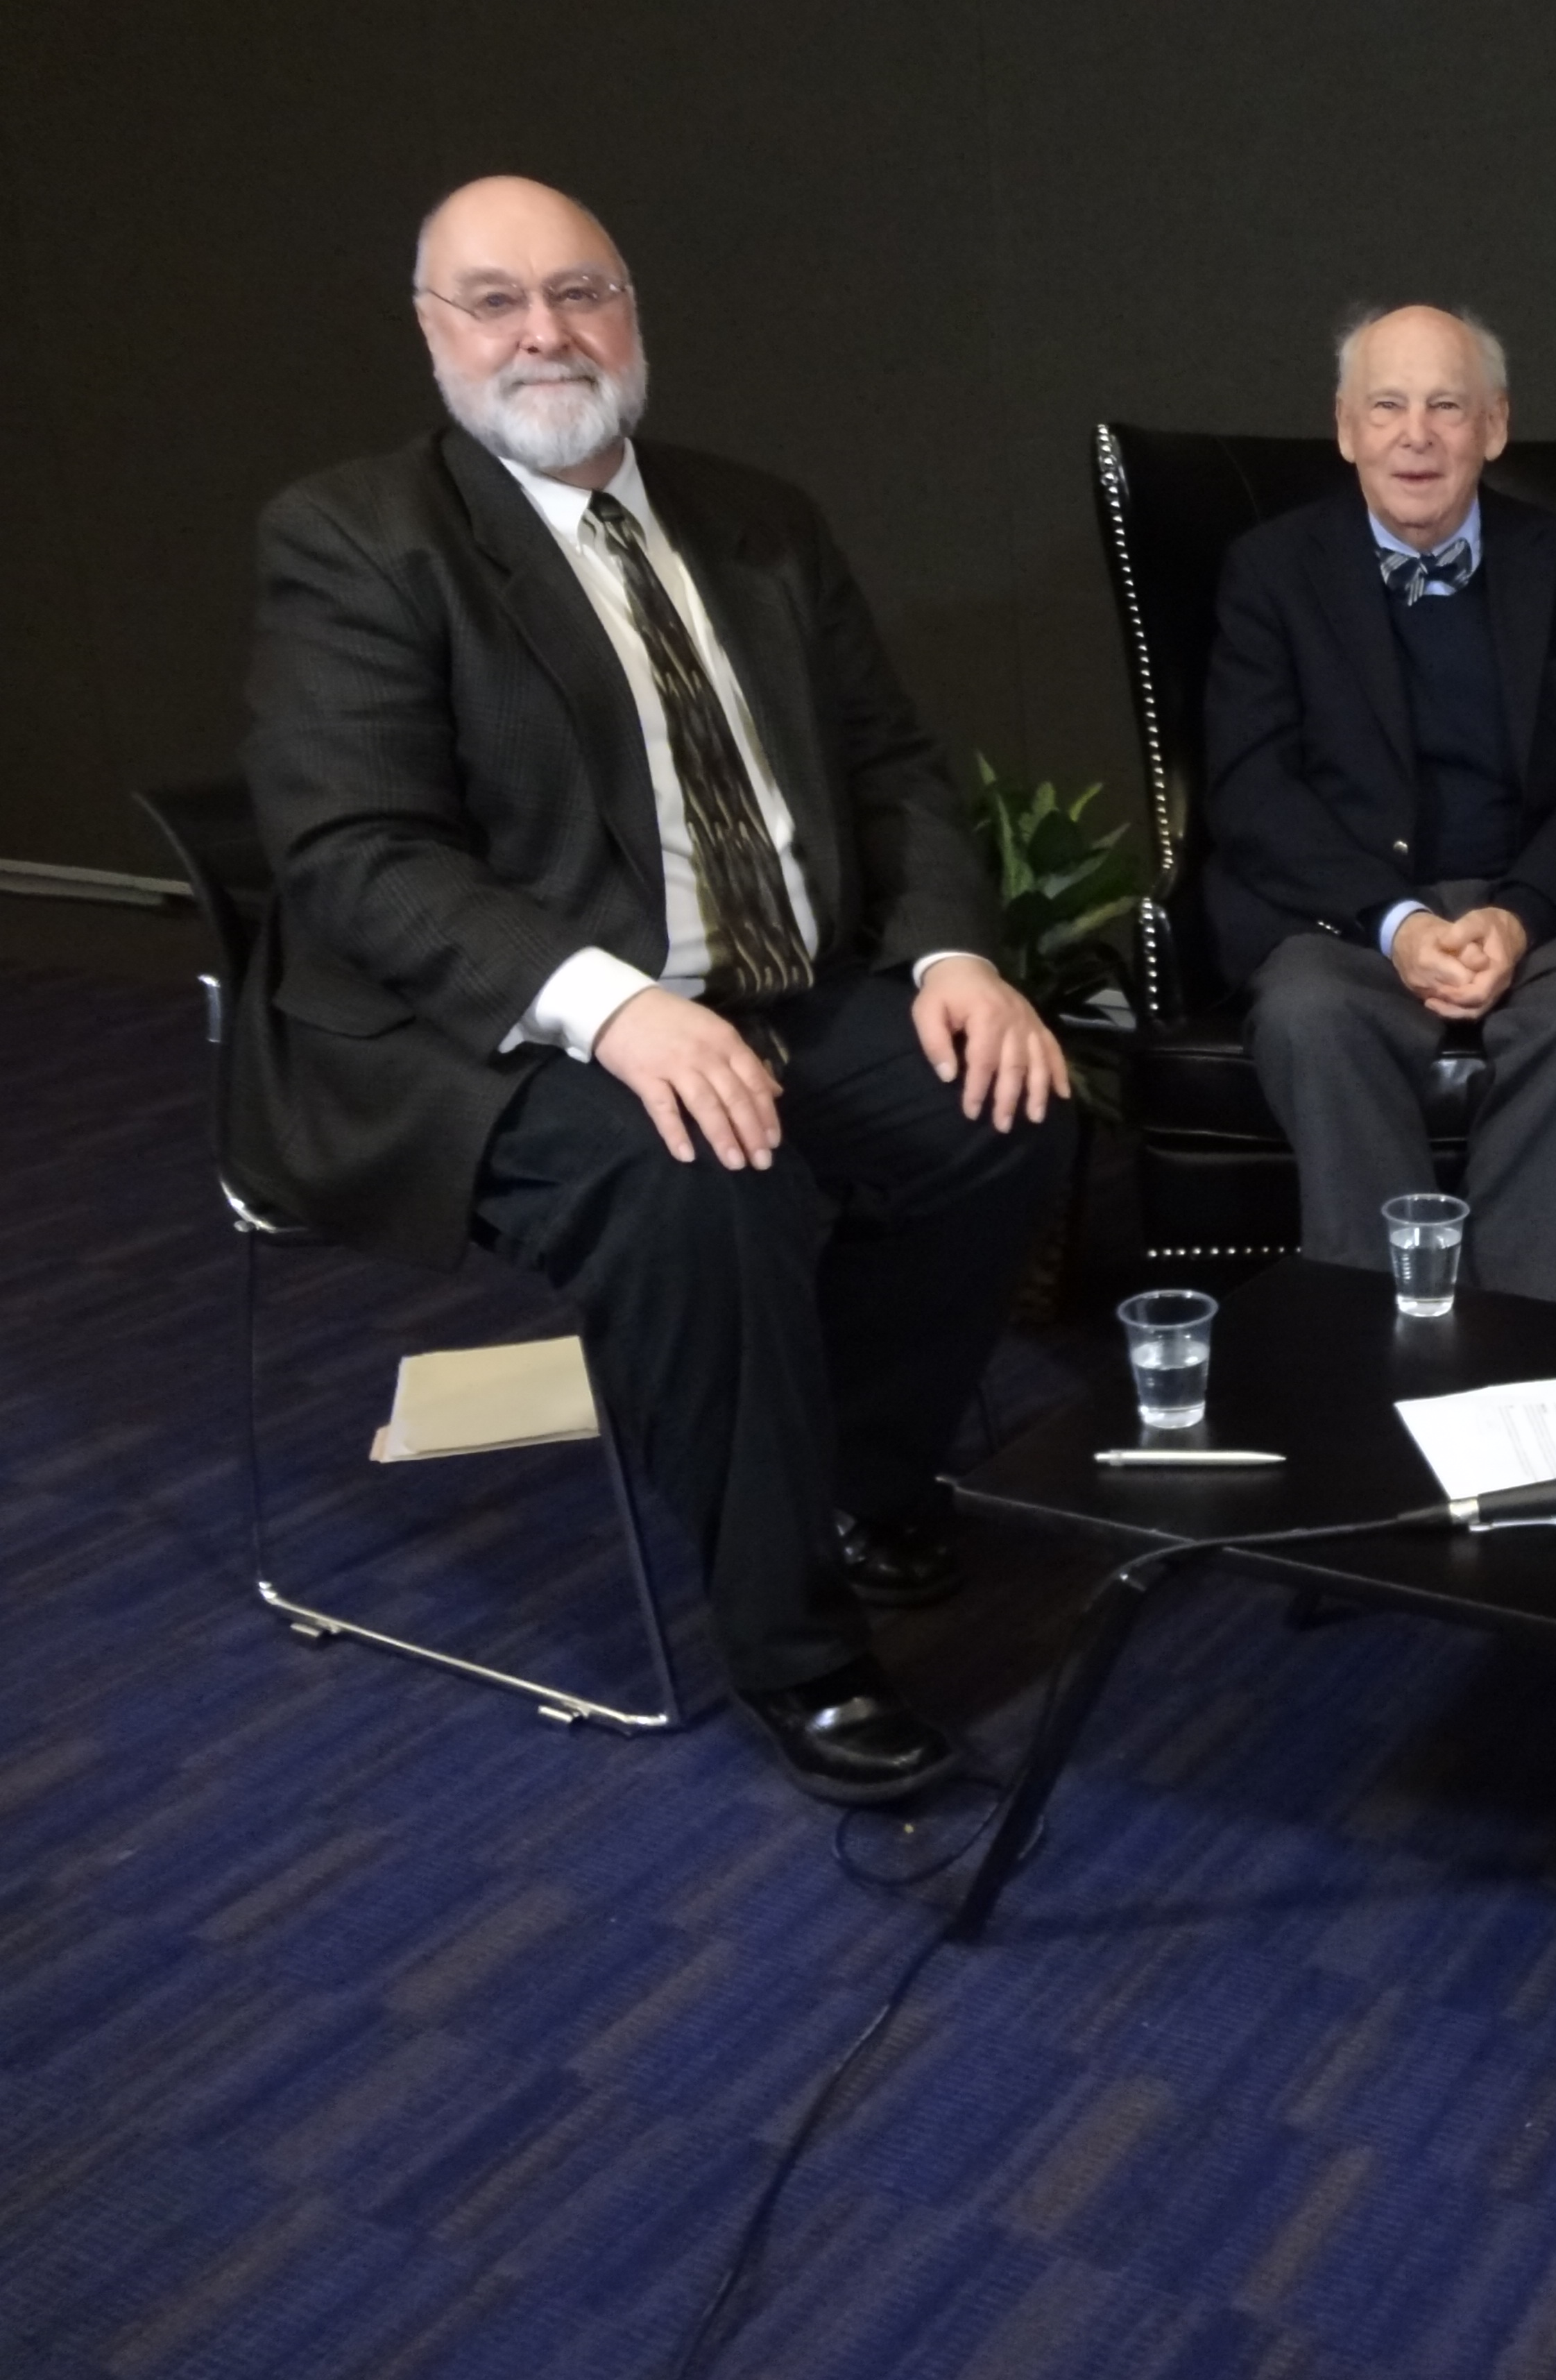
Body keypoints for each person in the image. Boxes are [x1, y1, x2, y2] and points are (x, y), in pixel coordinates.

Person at [239, 176, 1072, 1805]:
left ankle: (851, 1472)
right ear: (430, 334)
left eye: (580, 292)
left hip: (770, 982)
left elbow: (892, 762)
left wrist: (957, 957)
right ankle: (798, 1650)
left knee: (1005, 1110)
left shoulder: (756, 516)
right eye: (493, 299)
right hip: (486, 1031)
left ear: (633, 315)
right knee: (710, 1176)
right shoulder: (354, 537)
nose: (543, 332)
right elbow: (353, 852)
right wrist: (612, 1006)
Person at [1200, 305, 1556, 1303]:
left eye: (1446, 406)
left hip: (1548, 902)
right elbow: (1251, 787)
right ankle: (1380, 1332)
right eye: (1387, 406)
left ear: (1495, 426)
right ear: (1346, 429)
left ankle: (1515, 1322)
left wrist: (1517, 919)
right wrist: (1397, 922)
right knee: (1309, 1015)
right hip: (1346, 912)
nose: (1416, 435)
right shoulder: (1271, 572)